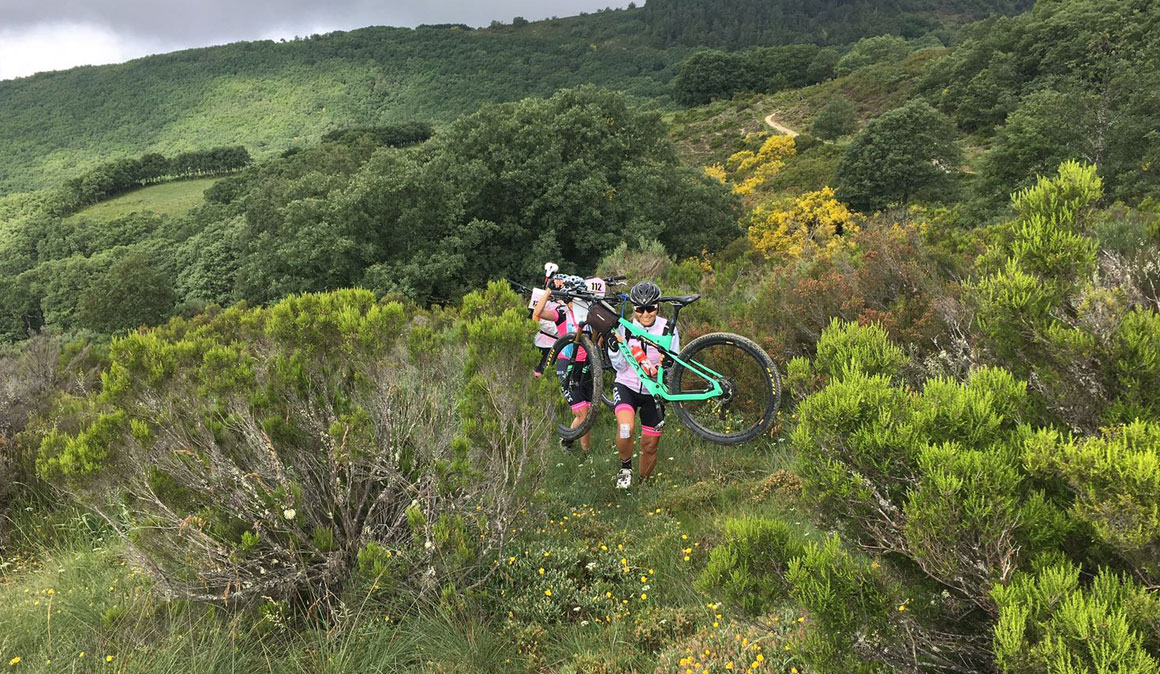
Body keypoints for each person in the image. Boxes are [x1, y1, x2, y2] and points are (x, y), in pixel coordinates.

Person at [608, 280, 676, 489]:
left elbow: (676, 362)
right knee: (626, 427)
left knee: (650, 445)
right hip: (627, 384)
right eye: (640, 309)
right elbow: (619, 367)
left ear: (657, 307)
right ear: (634, 309)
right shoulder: (624, 328)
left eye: (650, 308)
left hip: (653, 391)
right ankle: (625, 468)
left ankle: (642, 484)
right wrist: (614, 350)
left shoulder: (667, 328)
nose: (646, 314)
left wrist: (670, 363)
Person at [531, 273, 594, 452]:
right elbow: (537, 313)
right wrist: (549, 291)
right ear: (568, 300)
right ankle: (574, 444)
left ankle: (581, 450)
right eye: (574, 299)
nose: (578, 303)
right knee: (582, 413)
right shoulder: (562, 314)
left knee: (588, 414)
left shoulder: (589, 314)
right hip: (567, 364)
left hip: (588, 365)